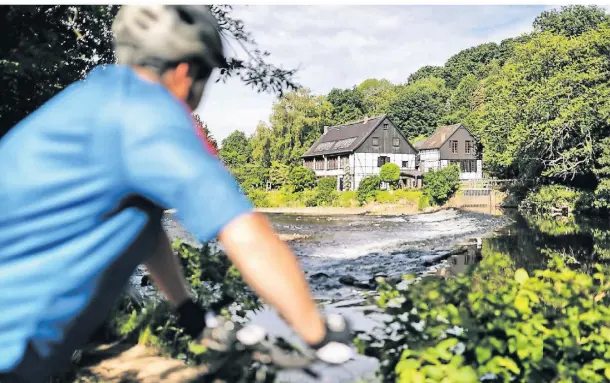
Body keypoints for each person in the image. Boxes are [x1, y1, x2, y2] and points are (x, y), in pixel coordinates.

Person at [0, 5, 352, 382]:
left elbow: (143, 226)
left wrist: (188, 310)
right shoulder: (149, 114)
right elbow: (244, 233)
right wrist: (317, 333)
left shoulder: (95, 100)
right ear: (186, 71)